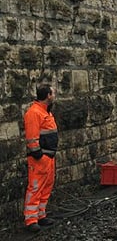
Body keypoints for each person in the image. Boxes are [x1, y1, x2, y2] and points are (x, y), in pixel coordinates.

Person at [23, 84, 58, 233]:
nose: (54, 95)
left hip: (48, 157)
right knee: (36, 187)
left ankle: (40, 215)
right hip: (40, 158)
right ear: (48, 95)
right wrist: (39, 155)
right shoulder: (34, 113)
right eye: (53, 93)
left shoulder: (45, 112)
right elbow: (32, 138)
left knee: (46, 186)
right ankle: (31, 219)